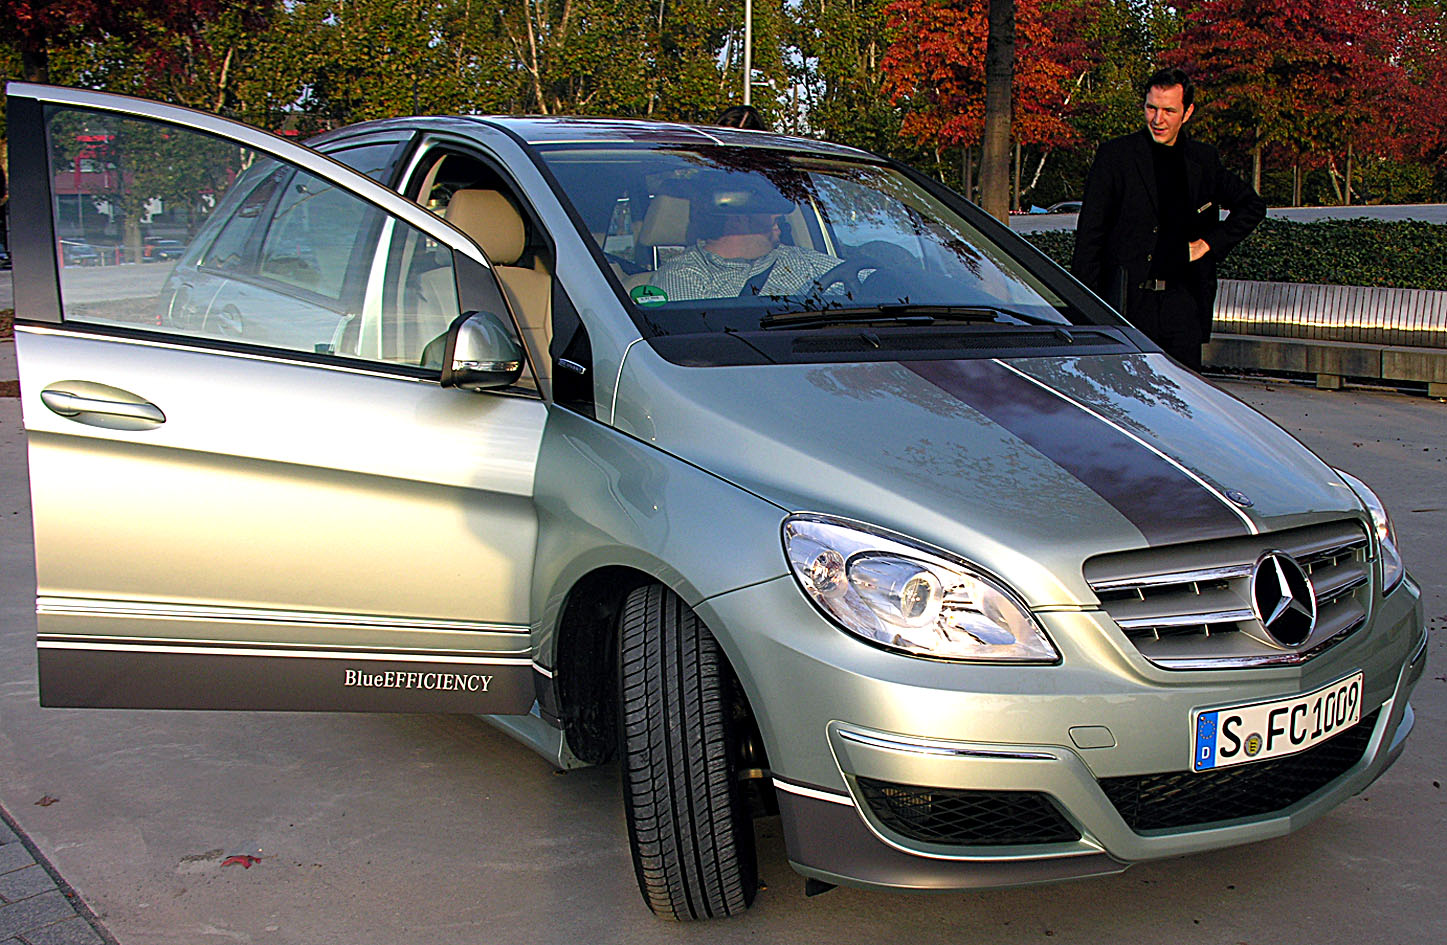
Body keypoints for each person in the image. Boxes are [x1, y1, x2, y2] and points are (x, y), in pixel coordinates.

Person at [1072, 67, 1266, 370]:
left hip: (1184, 307)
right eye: (1152, 108)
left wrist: (1207, 244)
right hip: (1128, 305)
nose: (1157, 119)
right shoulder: (1116, 157)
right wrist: (1088, 312)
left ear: (1187, 112)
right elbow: (1089, 238)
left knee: (1185, 406)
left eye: (1168, 110)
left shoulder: (1203, 160)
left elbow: (1252, 206)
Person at [649, 174, 840, 302]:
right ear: (738, 216)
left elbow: (863, 281)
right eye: (763, 206)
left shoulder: (803, 260)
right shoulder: (684, 276)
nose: (777, 214)